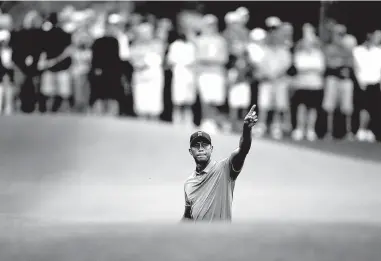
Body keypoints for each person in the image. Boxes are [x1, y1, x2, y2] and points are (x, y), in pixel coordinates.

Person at [182, 104, 258, 222]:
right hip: (199, 239)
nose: (201, 148)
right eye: (197, 146)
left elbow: (243, 150)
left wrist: (246, 130)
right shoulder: (188, 183)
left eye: (205, 145)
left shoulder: (224, 169)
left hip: (222, 238)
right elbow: (188, 217)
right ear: (190, 151)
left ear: (211, 149)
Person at [322, 24, 354, 140]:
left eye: (342, 34)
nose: (339, 36)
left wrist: (338, 63)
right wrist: (340, 64)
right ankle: (329, 132)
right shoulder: (328, 48)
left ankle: (348, 132)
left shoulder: (348, 49)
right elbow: (328, 64)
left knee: (347, 107)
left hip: (345, 80)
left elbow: (350, 64)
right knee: (329, 107)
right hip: (332, 79)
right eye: (338, 34)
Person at [353, 30, 381, 142]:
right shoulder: (358, 50)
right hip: (363, 83)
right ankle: (361, 130)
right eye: (377, 36)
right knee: (363, 107)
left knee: (374, 108)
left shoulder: (379, 51)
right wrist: (360, 81)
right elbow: (357, 67)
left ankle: (371, 131)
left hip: (376, 83)